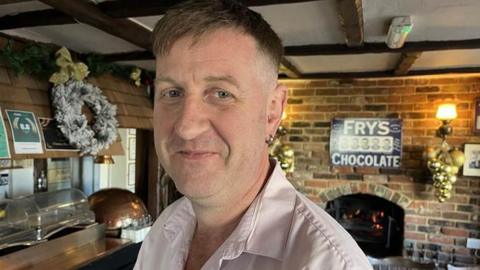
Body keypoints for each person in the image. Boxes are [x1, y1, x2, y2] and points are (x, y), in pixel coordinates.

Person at [134, 0, 372, 269]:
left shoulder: (329, 263)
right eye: (172, 93)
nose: (187, 127)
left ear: (271, 113)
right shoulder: (165, 229)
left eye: (222, 93)